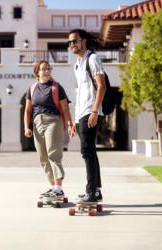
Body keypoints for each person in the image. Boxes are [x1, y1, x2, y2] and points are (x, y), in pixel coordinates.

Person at [24, 60, 73, 200]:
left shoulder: (57, 87)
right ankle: (53, 188)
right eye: (44, 69)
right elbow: (28, 110)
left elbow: (65, 108)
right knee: (43, 157)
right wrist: (26, 127)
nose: (47, 71)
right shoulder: (32, 88)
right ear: (37, 72)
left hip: (53, 121)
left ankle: (59, 188)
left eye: (48, 69)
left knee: (53, 154)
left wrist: (69, 124)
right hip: (37, 122)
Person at [68, 29, 105, 203]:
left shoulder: (92, 58)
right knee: (89, 151)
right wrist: (75, 119)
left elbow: (102, 86)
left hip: (91, 111)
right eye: (69, 42)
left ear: (83, 41)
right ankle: (95, 191)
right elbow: (80, 93)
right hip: (82, 113)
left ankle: (92, 191)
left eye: (74, 41)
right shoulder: (77, 64)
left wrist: (95, 111)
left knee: (87, 151)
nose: (72, 45)